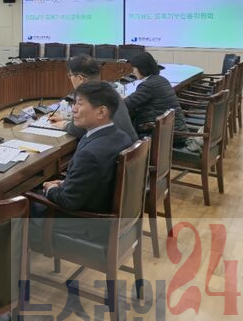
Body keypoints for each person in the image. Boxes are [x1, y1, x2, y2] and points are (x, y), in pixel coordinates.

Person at [43, 81, 135, 213]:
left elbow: (68, 201)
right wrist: (65, 183)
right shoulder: (123, 137)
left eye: (80, 104)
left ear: (101, 112)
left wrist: (50, 189)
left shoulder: (89, 155)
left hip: (86, 219)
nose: (74, 109)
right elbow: (96, 179)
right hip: (101, 202)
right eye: (74, 103)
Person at [49, 55, 137, 143]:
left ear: (80, 78)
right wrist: (66, 118)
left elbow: (77, 130)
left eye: (70, 75)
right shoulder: (108, 88)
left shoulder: (90, 95)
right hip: (129, 145)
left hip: (114, 147)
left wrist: (64, 124)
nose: (70, 78)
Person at [124, 52, 188, 146]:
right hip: (175, 131)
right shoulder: (161, 80)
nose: (132, 72)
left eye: (134, 68)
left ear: (142, 68)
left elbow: (126, 105)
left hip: (167, 136)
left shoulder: (148, 85)